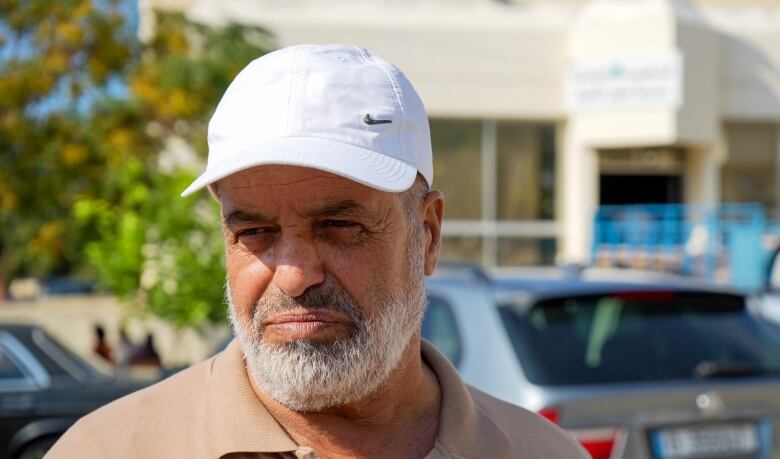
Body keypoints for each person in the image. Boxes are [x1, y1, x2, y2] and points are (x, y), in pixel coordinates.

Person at [48, 44, 587, 459]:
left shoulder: (541, 452)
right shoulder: (109, 448)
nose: (293, 275)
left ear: (427, 234)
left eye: (338, 225)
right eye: (254, 232)